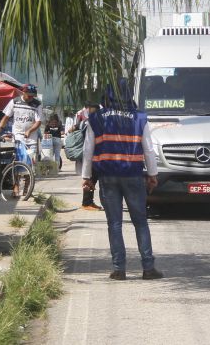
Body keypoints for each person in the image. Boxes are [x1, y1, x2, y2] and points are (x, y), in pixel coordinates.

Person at [82, 79, 163, 280]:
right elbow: (149, 150)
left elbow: (88, 150)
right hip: (133, 176)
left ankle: (119, 269)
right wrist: (152, 175)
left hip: (108, 177)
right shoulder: (139, 117)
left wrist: (86, 178)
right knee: (141, 222)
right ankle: (148, 268)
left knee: (115, 224)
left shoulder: (96, 118)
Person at [0, 84, 42, 196]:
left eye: (32, 96)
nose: (31, 98)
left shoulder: (37, 104)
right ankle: (16, 188)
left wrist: (29, 131)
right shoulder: (14, 102)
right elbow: (6, 117)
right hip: (18, 137)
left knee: (30, 165)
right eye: (29, 95)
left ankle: (27, 189)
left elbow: (38, 121)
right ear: (23, 92)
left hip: (32, 139)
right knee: (18, 163)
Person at [72, 101, 102, 211]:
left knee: (91, 179)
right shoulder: (89, 121)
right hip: (90, 155)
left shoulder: (89, 120)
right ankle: (86, 202)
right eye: (90, 109)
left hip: (93, 155)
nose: (90, 111)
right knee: (90, 179)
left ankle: (89, 202)